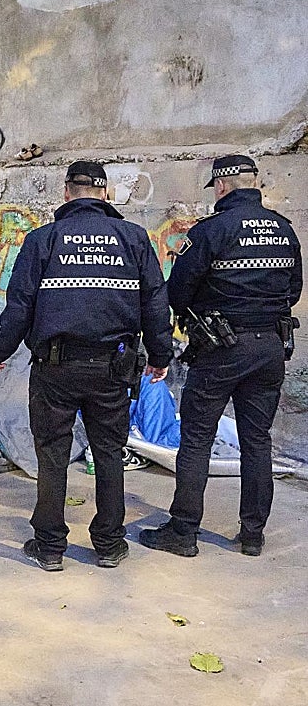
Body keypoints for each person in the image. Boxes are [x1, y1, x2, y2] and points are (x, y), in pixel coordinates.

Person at [0, 161, 173, 570]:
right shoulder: (134, 239)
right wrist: (161, 357)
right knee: (109, 452)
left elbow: (19, 306)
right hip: (113, 367)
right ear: (105, 194)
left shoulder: (42, 240)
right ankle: (108, 544)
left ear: (67, 192)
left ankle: (50, 547)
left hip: (55, 368)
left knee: (52, 454)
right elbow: (155, 304)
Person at [139, 155, 303, 558]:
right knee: (256, 441)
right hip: (269, 348)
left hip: (220, 349)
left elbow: (177, 291)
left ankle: (183, 532)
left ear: (224, 186)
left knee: (196, 440)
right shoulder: (284, 230)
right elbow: (293, 291)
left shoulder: (211, 231)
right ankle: (252, 535)